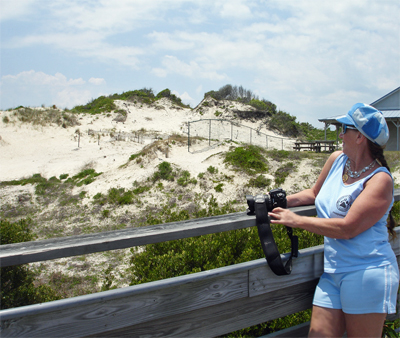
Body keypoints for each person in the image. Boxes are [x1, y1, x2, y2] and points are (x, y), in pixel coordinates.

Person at [269, 103, 399, 338]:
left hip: (366, 272)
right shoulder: (337, 160)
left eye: (344, 128)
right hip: (333, 271)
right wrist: (279, 202)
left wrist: (295, 220)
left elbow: (348, 228)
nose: (340, 134)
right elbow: (315, 194)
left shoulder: (380, 180)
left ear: (360, 136)